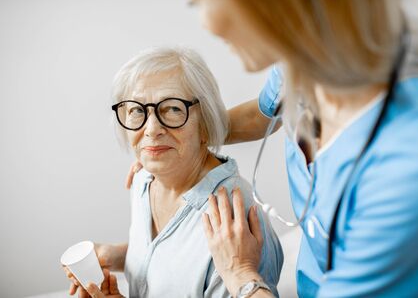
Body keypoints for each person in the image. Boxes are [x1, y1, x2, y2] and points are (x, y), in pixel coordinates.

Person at [90, 0, 418, 297]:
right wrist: (170, 141)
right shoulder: (299, 65)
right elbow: (264, 114)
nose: (206, 23)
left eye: (202, 0)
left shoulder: (412, 172)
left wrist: (241, 274)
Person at [63, 47, 283, 298]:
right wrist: (119, 256)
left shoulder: (232, 220)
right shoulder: (144, 180)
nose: (152, 129)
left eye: (173, 109)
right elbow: (176, 261)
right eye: (136, 110)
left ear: (206, 122)